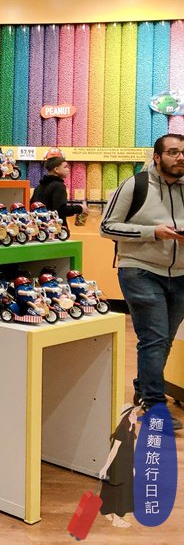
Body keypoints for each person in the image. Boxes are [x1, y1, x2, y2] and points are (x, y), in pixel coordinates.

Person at [99, 133, 184, 432]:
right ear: (157, 157)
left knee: (164, 339)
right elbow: (106, 227)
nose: (180, 157)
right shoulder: (135, 185)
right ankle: (153, 404)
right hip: (140, 269)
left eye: (183, 152)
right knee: (155, 338)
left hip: (180, 274)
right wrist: (152, 232)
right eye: (173, 152)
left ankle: (143, 386)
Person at [97, 404, 140, 528]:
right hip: (119, 465)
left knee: (114, 489)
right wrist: (105, 467)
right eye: (132, 414)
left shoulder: (131, 429)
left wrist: (132, 466)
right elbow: (114, 450)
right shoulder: (122, 429)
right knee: (121, 490)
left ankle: (106, 510)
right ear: (127, 416)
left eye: (135, 413)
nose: (135, 416)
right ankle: (117, 520)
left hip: (126, 465)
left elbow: (132, 450)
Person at [30, 156, 83, 223]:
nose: (68, 169)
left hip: (40, 225)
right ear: (56, 169)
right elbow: (61, 210)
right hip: (55, 226)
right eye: (65, 167)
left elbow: (32, 206)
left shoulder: (39, 187)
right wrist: (80, 208)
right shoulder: (59, 186)